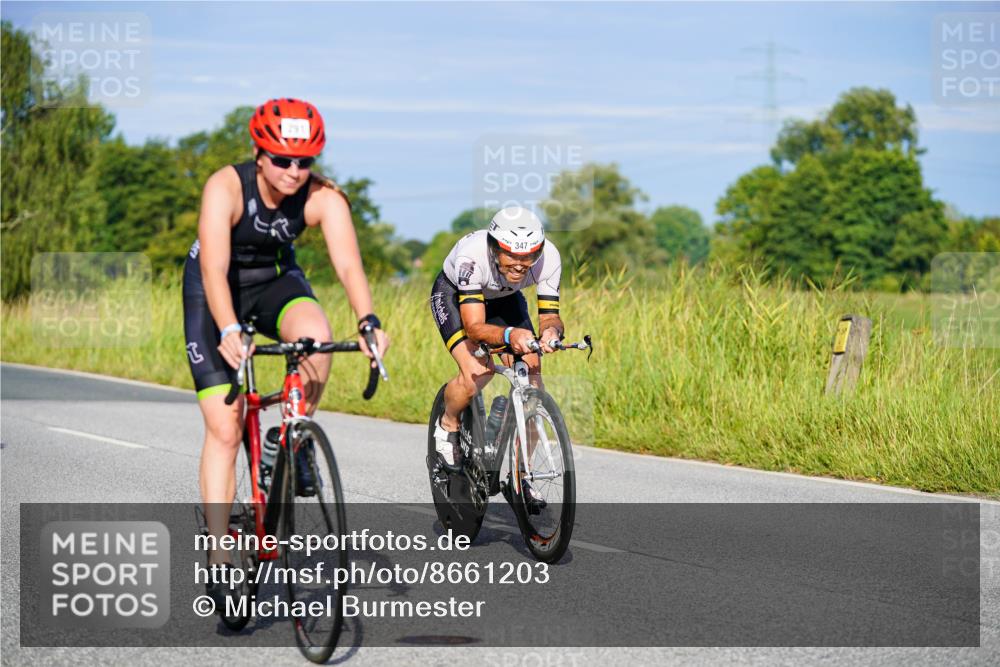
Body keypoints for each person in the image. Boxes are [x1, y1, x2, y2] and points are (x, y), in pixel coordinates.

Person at [182, 98, 389, 596]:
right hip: (215, 292)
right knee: (225, 428)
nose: (295, 171)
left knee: (316, 338)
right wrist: (230, 329)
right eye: (282, 160)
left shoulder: (324, 198)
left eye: (305, 160)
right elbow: (213, 269)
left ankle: (291, 436)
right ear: (259, 154)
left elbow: (348, 267)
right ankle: (219, 549)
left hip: (274, 284)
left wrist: (368, 322)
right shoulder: (226, 186)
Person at [428, 206, 564, 497]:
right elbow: (475, 327)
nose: (521, 263)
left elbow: (550, 315)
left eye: (529, 255)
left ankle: (521, 475)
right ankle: (448, 423)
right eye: (512, 254)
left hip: (506, 299)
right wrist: (509, 335)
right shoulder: (471, 257)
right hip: (456, 296)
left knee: (533, 376)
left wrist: (552, 331)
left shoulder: (549, 257)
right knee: (478, 371)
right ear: (493, 247)